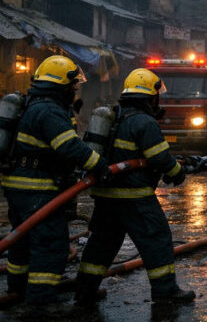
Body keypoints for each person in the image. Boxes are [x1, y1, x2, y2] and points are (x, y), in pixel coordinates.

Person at [75, 68, 195, 305]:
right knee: (157, 239)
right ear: (151, 97)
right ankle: (165, 291)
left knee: (101, 245)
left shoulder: (113, 116)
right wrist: (177, 173)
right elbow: (160, 157)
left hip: (106, 196)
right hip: (134, 197)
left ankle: (84, 292)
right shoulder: (144, 122)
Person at [2, 55, 109, 305]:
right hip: (38, 187)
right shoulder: (49, 110)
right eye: (73, 85)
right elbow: (69, 146)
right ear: (61, 85)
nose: (75, 89)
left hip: (19, 186)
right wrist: (99, 165)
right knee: (50, 244)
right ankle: (40, 301)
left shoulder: (34, 104)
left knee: (21, 241)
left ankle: (17, 289)